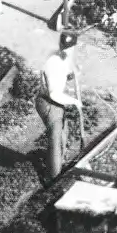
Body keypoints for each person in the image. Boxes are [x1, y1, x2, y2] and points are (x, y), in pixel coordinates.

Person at [41, 28, 86, 188]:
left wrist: (72, 73)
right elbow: (54, 94)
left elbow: (65, 70)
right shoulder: (55, 63)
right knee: (56, 137)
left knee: (63, 133)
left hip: (55, 99)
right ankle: (53, 179)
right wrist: (74, 102)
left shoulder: (61, 55)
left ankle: (61, 164)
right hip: (49, 101)